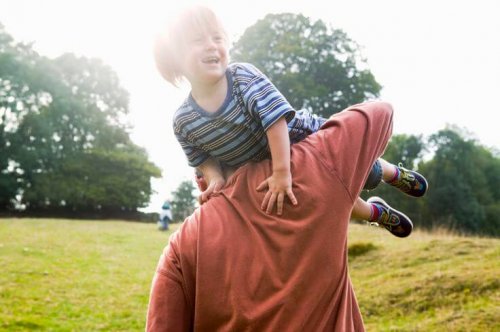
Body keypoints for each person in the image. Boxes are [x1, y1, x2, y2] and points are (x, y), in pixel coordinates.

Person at [154, 5, 428, 237]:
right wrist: (214, 178)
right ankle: (378, 213)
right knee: (333, 199)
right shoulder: (184, 121)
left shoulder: (241, 78)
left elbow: (275, 123)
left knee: (363, 170)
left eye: (217, 37)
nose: (212, 45)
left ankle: (393, 173)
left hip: (302, 140)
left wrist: (282, 173)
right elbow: (201, 158)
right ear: (174, 57)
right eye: (199, 40)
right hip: (267, 169)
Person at [147, 101, 396, 331]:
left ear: (201, 179)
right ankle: (390, 185)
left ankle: (377, 208)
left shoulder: (183, 245)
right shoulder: (310, 170)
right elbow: (380, 112)